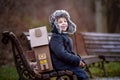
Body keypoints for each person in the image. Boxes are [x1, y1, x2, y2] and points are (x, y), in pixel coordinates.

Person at [49, 10, 89, 80]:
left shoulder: (63, 35)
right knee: (82, 75)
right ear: (55, 24)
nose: (64, 23)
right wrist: (76, 60)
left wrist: (79, 59)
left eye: (65, 21)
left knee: (82, 72)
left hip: (65, 63)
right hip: (61, 64)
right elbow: (61, 53)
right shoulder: (56, 37)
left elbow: (69, 52)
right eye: (60, 22)